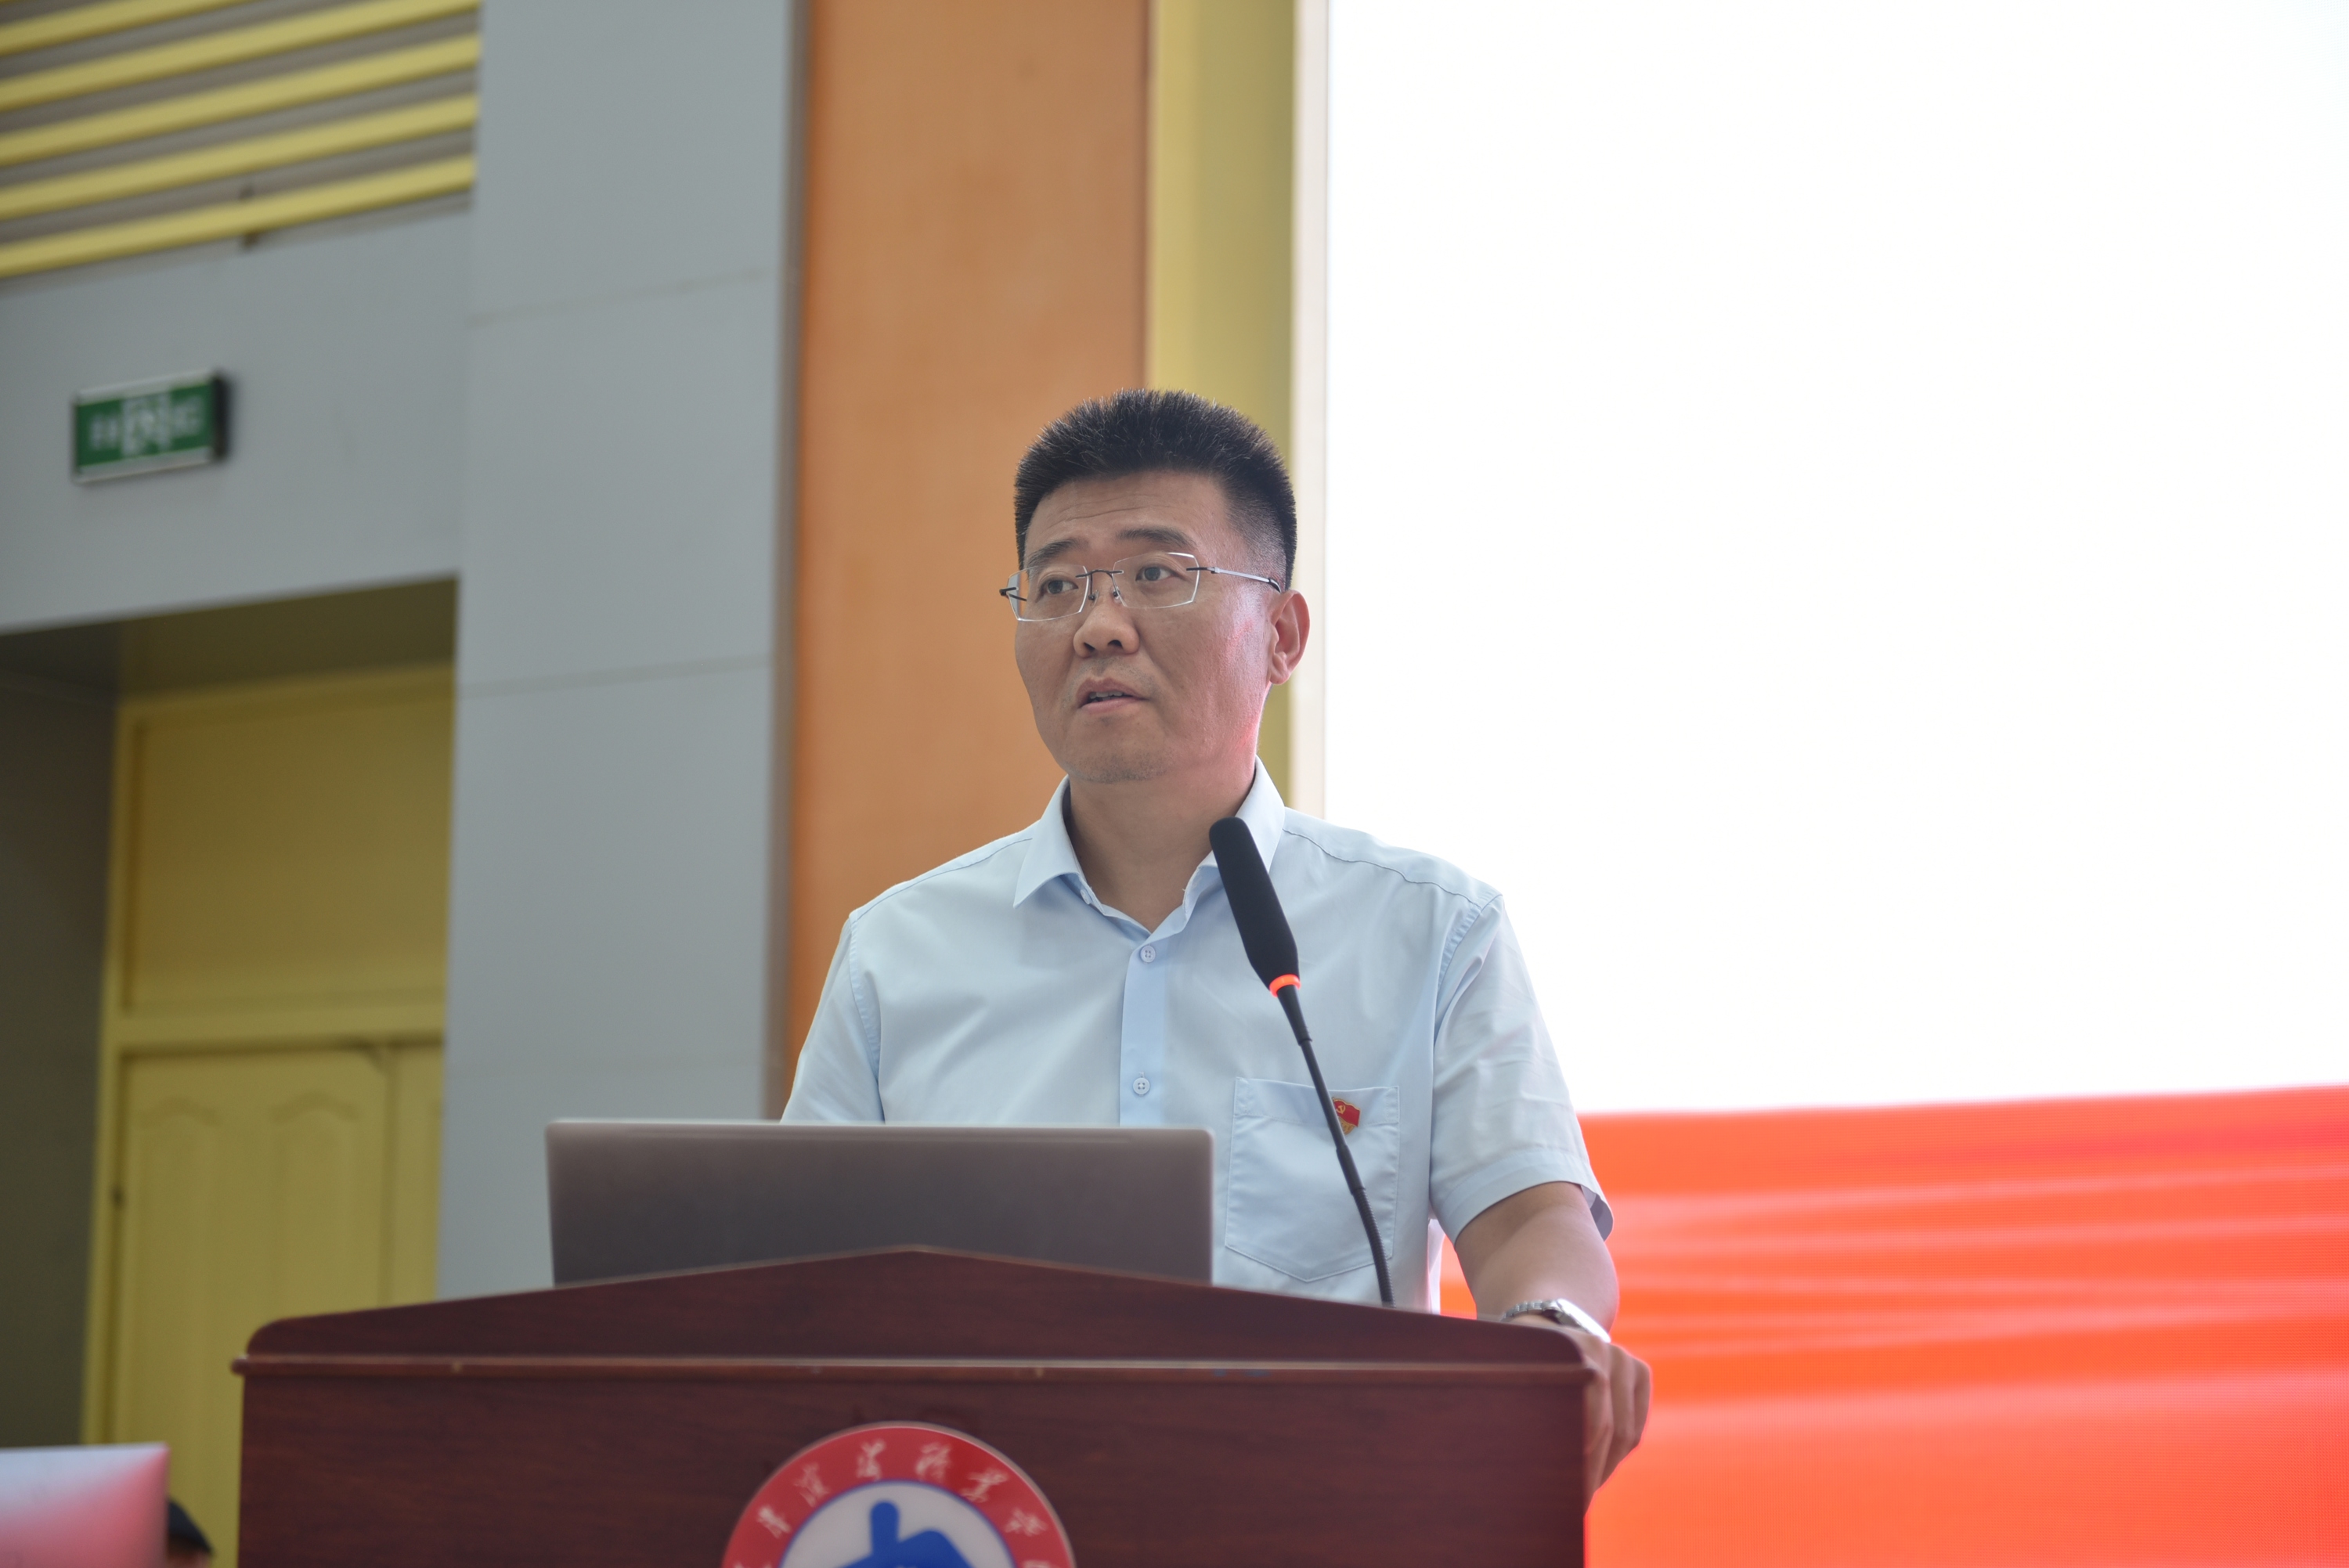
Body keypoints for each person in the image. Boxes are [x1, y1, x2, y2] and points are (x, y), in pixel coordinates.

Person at [785, 389, 1651, 1499]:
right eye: (1056, 586)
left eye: (1157, 574)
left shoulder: (1430, 930)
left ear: (1281, 636)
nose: (1098, 625)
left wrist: (1556, 1323)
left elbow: (1532, 1215)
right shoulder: (896, 955)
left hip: (1316, 1510)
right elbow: (795, 1275)